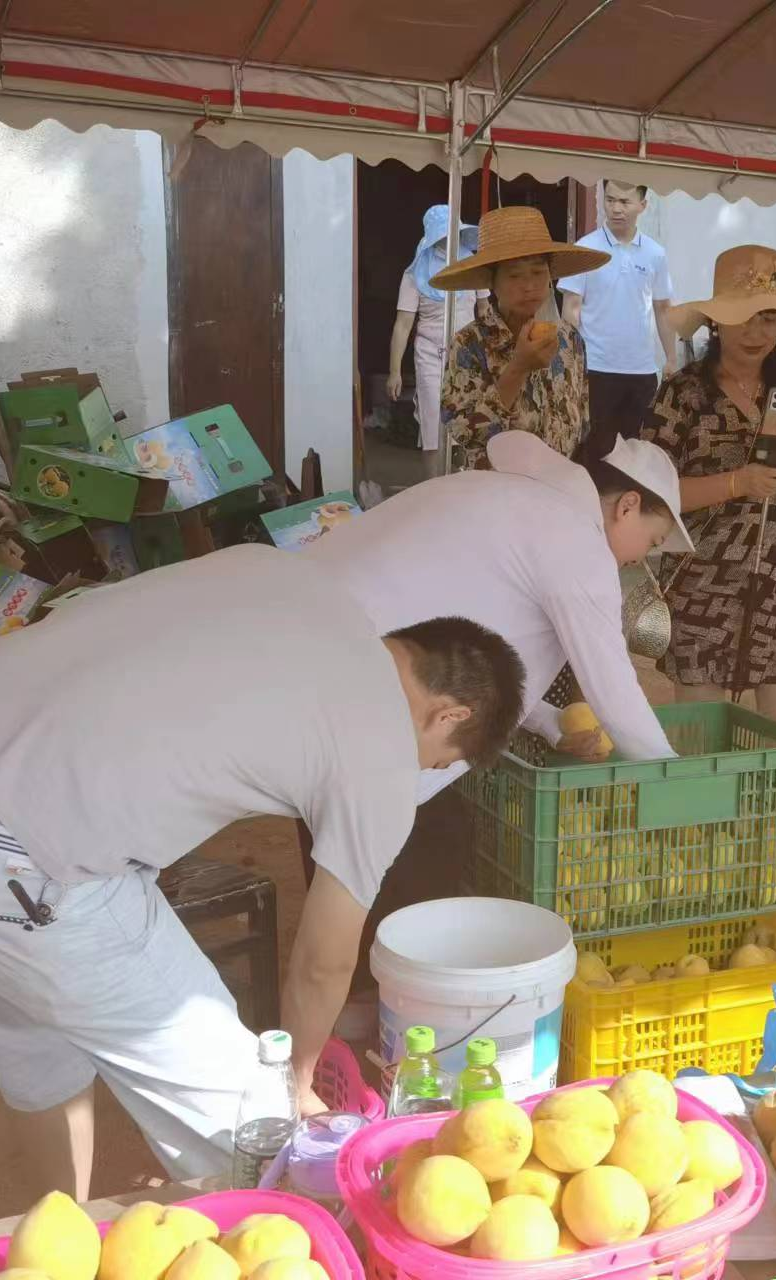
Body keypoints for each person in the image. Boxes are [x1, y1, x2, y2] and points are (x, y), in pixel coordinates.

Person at [0, 546, 524, 1200]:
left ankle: (52, 1242)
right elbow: (322, 963)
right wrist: (294, 1079)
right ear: (449, 715)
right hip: (13, 854)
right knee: (245, 1115)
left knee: (38, 1054)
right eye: (438, 760)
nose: (423, 773)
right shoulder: (379, 755)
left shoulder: (285, 575)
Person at [300, 429, 692, 976]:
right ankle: (386, 997)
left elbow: (486, 646)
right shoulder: (573, 540)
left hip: (311, 660)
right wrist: (684, 790)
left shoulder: (508, 499)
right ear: (627, 506)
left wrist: (553, 725)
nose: (638, 561)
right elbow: (614, 690)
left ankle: (360, 988)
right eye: (649, 544)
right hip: (370, 693)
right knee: (421, 843)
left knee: (353, 841)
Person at [642, 245, 776, 723]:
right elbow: (652, 494)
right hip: (701, 578)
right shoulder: (683, 393)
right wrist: (739, 482)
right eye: (743, 318)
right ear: (717, 321)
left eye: (770, 319)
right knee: (700, 740)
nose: (757, 333)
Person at [435, 205, 610, 469]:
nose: (529, 286)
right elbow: (465, 433)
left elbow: (582, 424)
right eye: (515, 275)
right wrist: (517, 368)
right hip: (498, 494)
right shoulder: (469, 344)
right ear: (492, 282)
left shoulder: (570, 341)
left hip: (559, 490)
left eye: (538, 272)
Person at [559, 180, 677, 461]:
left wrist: (671, 359)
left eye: (624, 202)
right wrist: (572, 362)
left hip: (641, 372)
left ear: (642, 206)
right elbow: (570, 309)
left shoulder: (655, 254)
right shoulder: (585, 249)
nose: (616, 209)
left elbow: (663, 309)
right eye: (610, 200)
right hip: (595, 369)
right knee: (592, 450)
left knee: (635, 452)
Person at [386, 205, 481, 453]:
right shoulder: (414, 275)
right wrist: (394, 371)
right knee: (434, 428)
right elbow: (403, 325)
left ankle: (463, 487)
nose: (449, 238)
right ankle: (434, 485)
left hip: (468, 355)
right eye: (444, 233)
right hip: (431, 356)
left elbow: (485, 311)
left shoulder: (474, 264)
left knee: (469, 428)